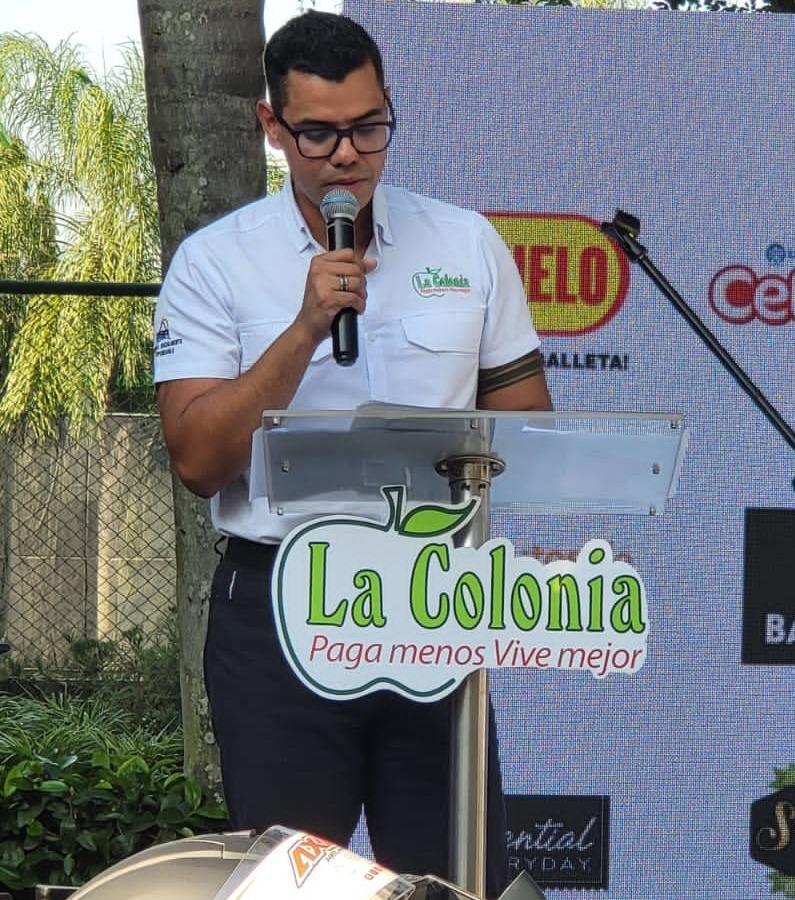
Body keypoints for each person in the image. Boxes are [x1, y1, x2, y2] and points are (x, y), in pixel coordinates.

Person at [153, 11, 551, 896]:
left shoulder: (468, 244)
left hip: (431, 600)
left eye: (369, 128)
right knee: (292, 881)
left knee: (455, 877)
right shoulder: (215, 263)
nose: (346, 156)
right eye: (319, 133)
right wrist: (303, 329)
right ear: (272, 127)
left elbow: (527, 422)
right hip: (278, 609)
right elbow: (195, 459)